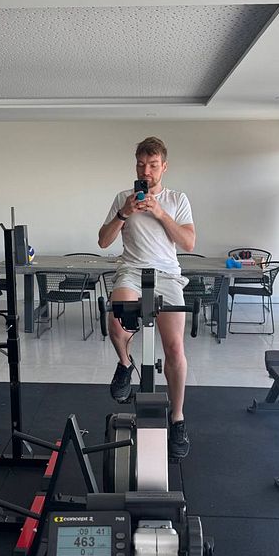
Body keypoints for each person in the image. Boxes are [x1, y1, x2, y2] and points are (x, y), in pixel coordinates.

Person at [98, 137, 195, 459]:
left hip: (167, 274)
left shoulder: (177, 199)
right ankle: (125, 364)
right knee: (117, 321)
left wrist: (161, 213)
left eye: (153, 165)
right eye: (141, 165)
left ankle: (178, 417)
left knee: (175, 348)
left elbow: (189, 243)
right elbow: (103, 241)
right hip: (131, 270)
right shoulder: (120, 198)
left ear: (163, 167)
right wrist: (124, 214)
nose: (146, 170)